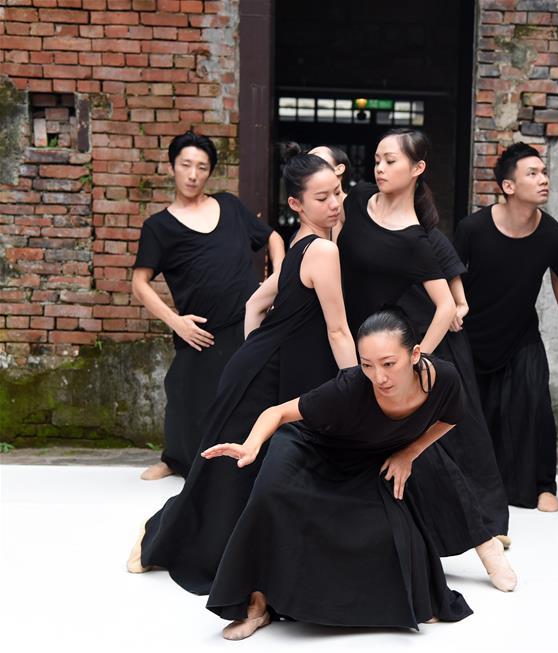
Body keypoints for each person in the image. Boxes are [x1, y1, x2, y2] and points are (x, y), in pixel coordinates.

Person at [127, 152, 356, 591]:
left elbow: (255, 304)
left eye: (339, 193)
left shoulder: (297, 248)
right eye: (323, 197)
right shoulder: (323, 249)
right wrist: (358, 389)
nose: (336, 203)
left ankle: (212, 544)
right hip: (263, 372)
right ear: (296, 205)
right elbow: (339, 330)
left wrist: (253, 352)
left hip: (253, 366)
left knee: (233, 471)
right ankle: (181, 543)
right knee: (234, 471)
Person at [200, 310, 474, 639]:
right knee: (268, 497)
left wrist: (410, 452)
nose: (379, 377)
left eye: (389, 364)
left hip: (362, 460)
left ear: (415, 354)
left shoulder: (443, 380)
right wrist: (251, 445)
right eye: (367, 364)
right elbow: (279, 412)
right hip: (308, 447)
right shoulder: (351, 387)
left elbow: (451, 418)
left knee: (392, 533)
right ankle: (257, 604)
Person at [334, 128, 517, 586]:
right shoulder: (354, 202)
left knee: (420, 456)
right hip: (335, 341)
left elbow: (448, 308)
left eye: (390, 161)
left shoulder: (416, 238)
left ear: (417, 169)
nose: (379, 168)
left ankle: (485, 544)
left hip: (379, 359)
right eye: (376, 159)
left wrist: (417, 360)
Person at [132, 131, 285, 480]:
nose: (193, 174)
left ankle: (246, 463)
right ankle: (175, 461)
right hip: (199, 330)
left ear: (210, 172)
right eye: (185, 165)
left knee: (249, 397)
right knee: (186, 398)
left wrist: (278, 282)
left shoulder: (229, 206)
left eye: (201, 167)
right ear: (172, 167)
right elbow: (139, 283)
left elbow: (272, 237)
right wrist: (176, 322)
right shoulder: (159, 227)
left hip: (248, 323)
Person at [454, 142, 558, 512]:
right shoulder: (472, 229)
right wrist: (452, 310)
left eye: (544, 172)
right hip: (472, 335)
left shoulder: (555, 237)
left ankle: (541, 485)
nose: (543, 179)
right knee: (476, 414)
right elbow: (450, 273)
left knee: (535, 403)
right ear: (509, 186)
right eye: (532, 173)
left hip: (521, 334)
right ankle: (472, 488)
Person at [397, 228, 511, 547]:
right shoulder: (373, 243)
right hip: (396, 349)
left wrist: (453, 315)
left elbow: (460, 303)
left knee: (465, 429)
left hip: (442, 346)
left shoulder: (432, 239)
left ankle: (488, 520)